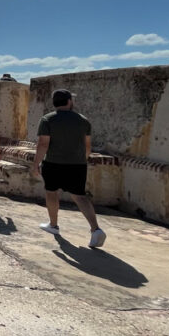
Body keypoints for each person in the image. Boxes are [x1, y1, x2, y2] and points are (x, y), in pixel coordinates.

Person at [33, 89, 106, 248]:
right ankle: (95, 229)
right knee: (80, 196)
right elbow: (87, 146)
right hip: (77, 165)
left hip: (53, 163)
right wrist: (82, 160)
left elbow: (43, 144)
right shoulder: (83, 121)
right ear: (69, 101)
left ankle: (53, 225)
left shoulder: (47, 119)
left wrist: (35, 163)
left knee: (51, 193)